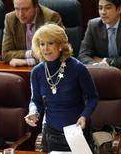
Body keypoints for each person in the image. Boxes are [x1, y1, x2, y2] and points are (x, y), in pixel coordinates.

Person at [25, 24, 99, 152]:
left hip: (77, 131)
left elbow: (93, 97)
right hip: (51, 133)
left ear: (60, 45)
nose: (46, 48)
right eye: (42, 44)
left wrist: (84, 116)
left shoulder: (78, 68)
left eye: (50, 43)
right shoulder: (37, 72)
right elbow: (36, 100)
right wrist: (33, 112)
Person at [1, 0, 63, 67]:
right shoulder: (10, 18)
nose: (20, 14)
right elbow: (5, 54)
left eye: (25, 9)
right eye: (17, 9)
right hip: (20, 70)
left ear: (36, 7)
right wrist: (31, 54)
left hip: (48, 69)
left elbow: (57, 53)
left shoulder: (51, 17)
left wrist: (28, 61)